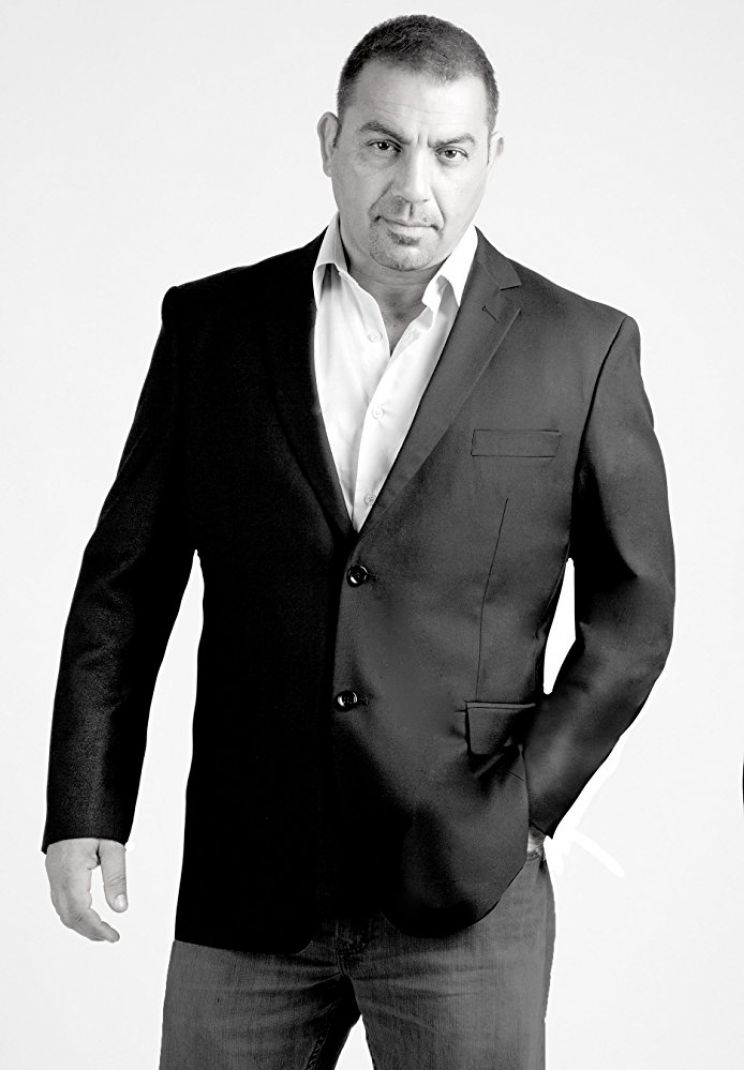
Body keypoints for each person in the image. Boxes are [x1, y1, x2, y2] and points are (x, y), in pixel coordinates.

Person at [42, 14, 675, 1069]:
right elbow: (126, 584)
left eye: (450, 151)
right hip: (249, 876)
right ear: (331, 142)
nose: (414, 185)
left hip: (467, 883)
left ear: (492, 157)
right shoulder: (213, 328)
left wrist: (529, 805)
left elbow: (635, 617)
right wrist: (84, 804)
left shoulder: (584, 348)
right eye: (383, 143)